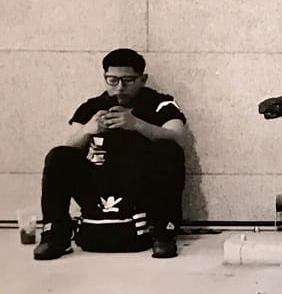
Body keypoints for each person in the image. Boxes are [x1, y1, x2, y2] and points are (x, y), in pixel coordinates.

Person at [33, 48, 188, 260]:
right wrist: (88, 130)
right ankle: (54, 234)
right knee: (58, 156)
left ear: (143, 79)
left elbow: (178, 138)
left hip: (140, 185)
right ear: (105, 78)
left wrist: (137, 124)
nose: (120, 87)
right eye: (112, 80)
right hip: (100, 182)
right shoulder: (93, 106)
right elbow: (68, 147)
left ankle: (163, 232)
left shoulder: (159, 103)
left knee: (168, 150)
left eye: (128, 80)